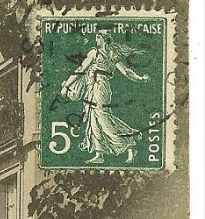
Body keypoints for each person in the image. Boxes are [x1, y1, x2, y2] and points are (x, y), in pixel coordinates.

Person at [61, 30, 151, 165]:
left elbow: (125, 71)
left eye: (98, 37)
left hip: (100, 87)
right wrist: (67, 84)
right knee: (94, 119)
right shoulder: (101, 53)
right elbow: (81, 69)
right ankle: (99, 153)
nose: (96, 39)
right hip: (92, 88)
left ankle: (129, 141)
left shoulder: (105, 54)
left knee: (103, 118)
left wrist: (140, 78)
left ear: (104, 39)